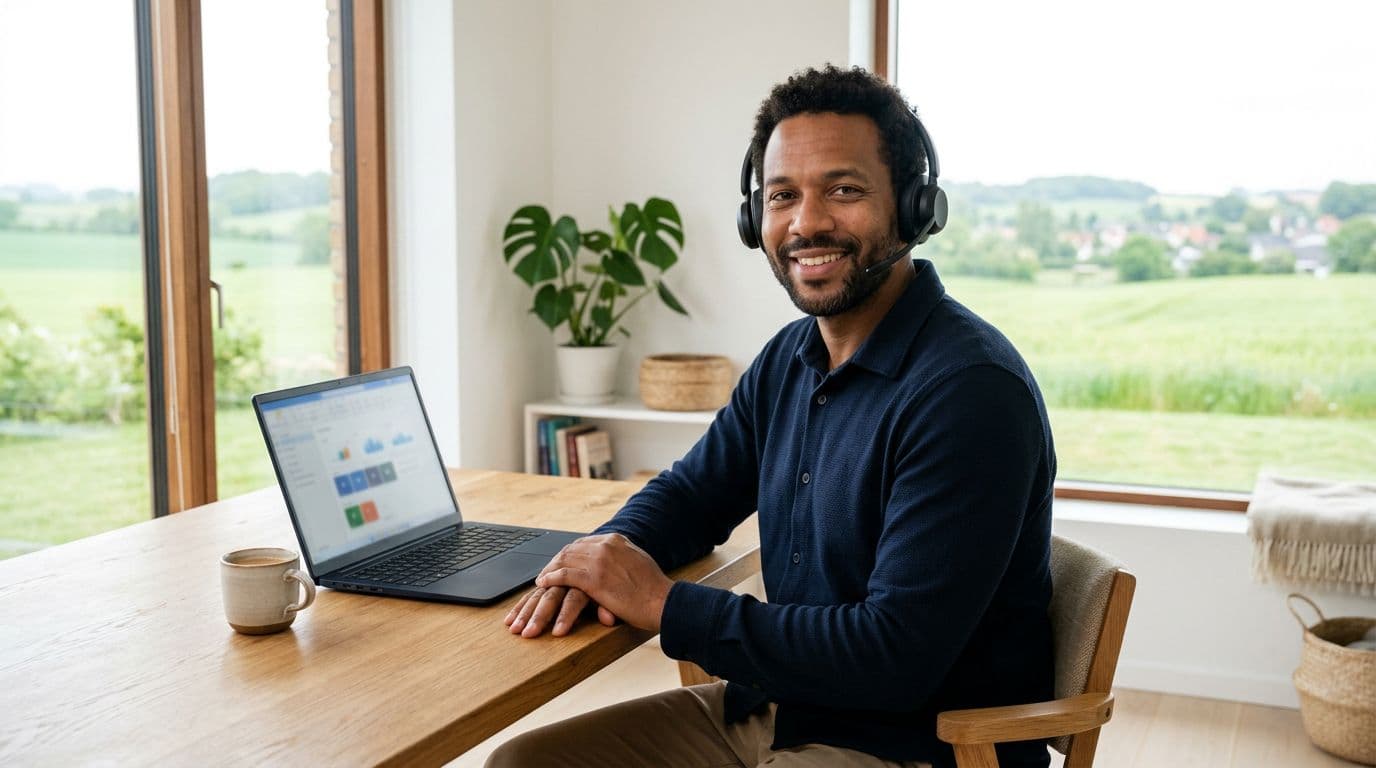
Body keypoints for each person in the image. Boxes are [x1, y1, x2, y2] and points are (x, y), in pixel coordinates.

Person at [487, 64, 1055, 768]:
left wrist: (665, 605)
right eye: (782, 196)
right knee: (523, 764)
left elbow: (892, 658)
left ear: (912, 209)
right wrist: (602, 560)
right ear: (755, 219)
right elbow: (694, 493)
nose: (806, 222)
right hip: (777, 710)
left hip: (912, 744)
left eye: (843, 191)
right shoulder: (792, 357)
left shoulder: (968, 392)